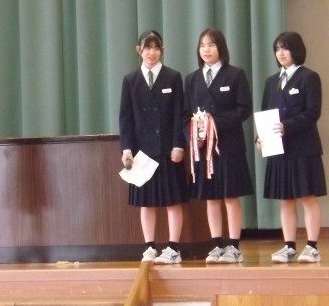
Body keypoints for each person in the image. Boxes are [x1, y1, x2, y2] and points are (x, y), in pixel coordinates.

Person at [184, 28, 253, 264]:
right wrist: (193, 134)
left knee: (230, 196)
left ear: (221, 48)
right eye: (202, 45)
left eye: (211, 45)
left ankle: (234, 246)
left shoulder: (235, 75)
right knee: (211, 198)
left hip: (229, 146)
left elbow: (244, 109)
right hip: (204, 149)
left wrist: (215, 123)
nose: (206, 49)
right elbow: (185, 114)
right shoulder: (192, 79)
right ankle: (216, 245)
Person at [119, 30, 188, 264]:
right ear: (138, 50)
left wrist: (179, 145)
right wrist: (126, 149)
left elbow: (179, 114)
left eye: (156, 48)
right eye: (147, 48)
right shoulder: (130, 80)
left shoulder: (173, 77)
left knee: (172, 200)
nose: (152, 52)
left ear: (162, 50)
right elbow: (125, 118)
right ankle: (149, 247)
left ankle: (173, 248)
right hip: (142, 151)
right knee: (146, 203)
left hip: (168, 149)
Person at [256, 32, 326, 263]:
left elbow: (313, 112)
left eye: (285, 48)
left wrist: (287, 126)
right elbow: (265, 113)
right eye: (277, 49)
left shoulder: (309, 77)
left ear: (296, 50)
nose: (281, 53)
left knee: (307, 197)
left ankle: (312, 246)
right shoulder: (271, 81)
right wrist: (260, 137)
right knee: (285, 199)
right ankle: (289, 246)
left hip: (304, 148)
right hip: (279, 149)